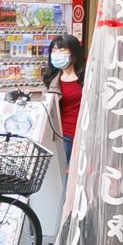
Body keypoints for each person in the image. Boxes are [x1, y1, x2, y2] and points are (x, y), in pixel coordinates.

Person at [43, 33, 85, 169]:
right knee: (62, 175)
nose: (56, 54)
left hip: (84, 134)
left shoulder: (86, 77)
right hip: (63, 136)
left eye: (61, 50)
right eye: (54, 50)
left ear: (73, 52)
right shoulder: (52, 79)